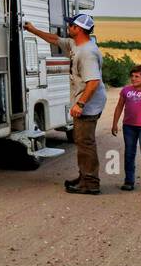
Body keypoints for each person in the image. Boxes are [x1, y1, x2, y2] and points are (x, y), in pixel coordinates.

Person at [24, 12, 105, 195]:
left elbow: (93, 83)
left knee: (86, 143)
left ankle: (90, 183)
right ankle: (85, 177)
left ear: (78, 29)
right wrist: (33, 30)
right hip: (86, 101)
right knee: (82, 141)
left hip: (89, 104)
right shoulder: (76, 44)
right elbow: (56, 39)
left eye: (71, 25)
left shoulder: (87, 53)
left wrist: (81, 104)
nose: (68, 27)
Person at [112, 64, 141, 191]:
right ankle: (129, 181)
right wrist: (115, 123)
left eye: (137, 76)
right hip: (129, 127)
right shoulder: (126, 90)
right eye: (132, 76)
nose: (133, 79)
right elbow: (119, 106)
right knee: (129, 153)